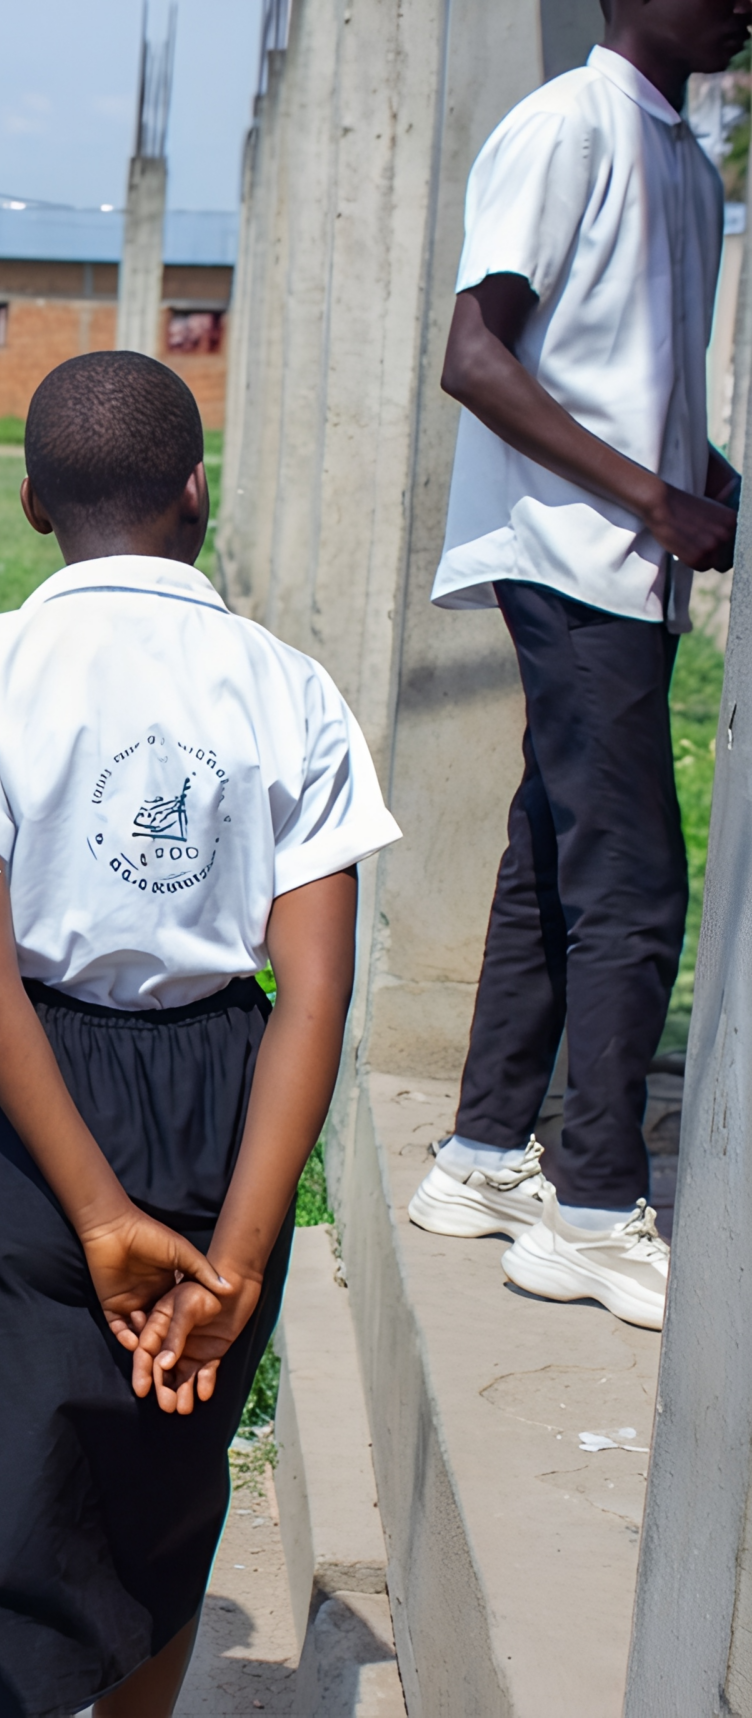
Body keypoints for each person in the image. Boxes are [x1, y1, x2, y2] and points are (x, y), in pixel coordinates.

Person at [0, 351, 401, 1717]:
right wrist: (238, 1254)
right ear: (197, 492)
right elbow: (315, 988)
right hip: (226, 1087)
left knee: (11, 1479)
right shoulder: (290, 685)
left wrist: (92, 1208)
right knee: (169, 1472)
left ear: (28, 502)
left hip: (31, 1091)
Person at [407, 0, 749, 1330]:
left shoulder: (686, 154)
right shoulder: (565, 127)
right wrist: (655, 501)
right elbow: (474, 353)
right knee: (635, 883)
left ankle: (484, 1157)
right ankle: (596, 1213)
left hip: (624, 554)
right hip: (569, 553)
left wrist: (693, 472)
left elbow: (621, 365)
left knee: (555, 854)